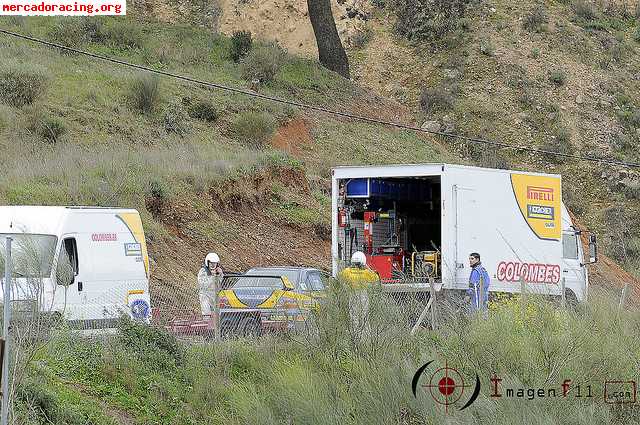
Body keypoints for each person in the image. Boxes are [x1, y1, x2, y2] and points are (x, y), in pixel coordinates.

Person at [198, 252, 224, 317]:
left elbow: (219, 283)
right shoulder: (203, 271)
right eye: (211, 263)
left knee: (218, 314)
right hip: (205, 295)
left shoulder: (216, 272)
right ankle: (208, 326)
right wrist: (212, 276)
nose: (213, 265)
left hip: (214, 295)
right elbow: (204, 285)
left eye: (214, 263)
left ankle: (216, 326)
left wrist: (220, 274)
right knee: (207, 314)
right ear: (208, 263)